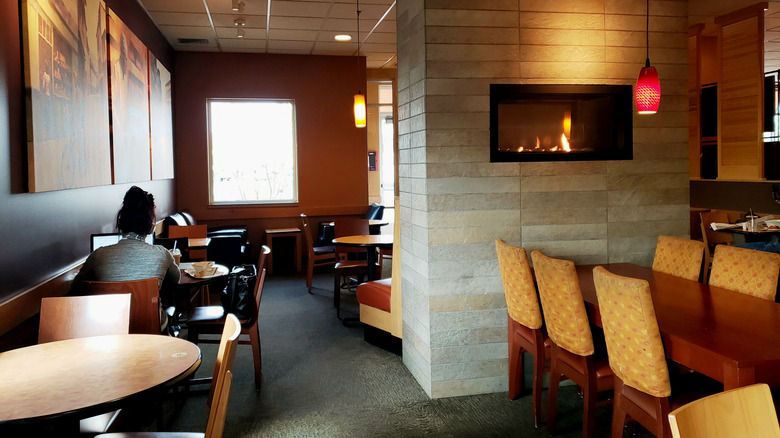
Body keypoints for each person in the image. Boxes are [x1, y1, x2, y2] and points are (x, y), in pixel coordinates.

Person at [72, 186, 180, 332]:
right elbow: (175, 280)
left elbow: (77, 288)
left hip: (107, 330)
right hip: (151, 330)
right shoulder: (162, 254)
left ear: (122, 221)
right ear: (151, 223)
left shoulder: (98, 256)